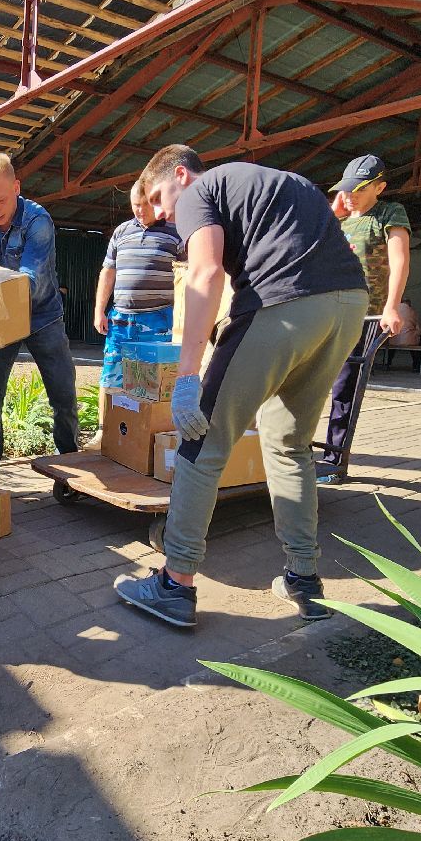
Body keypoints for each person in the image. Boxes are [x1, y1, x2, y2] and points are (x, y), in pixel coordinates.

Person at [113, 145, 367, 626]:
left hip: (283, 307)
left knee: (201, 440)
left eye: (160, 200)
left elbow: (205, 273)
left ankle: (175, 583)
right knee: (290, 444)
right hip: (348, 308)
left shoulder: (199, 191)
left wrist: (188, 373)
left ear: (180, 175)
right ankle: (304, 579)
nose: (165, 215)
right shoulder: (277, 182)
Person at [0, 153, 80, 468]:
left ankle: (71, 468)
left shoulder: (38, 221)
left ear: (16, 187)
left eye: (1, 200)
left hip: (43, 317)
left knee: (64, 397)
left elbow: (28, 283)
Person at [316, 154, 410, 484]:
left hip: (367, 315)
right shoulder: (337, 219)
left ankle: (333, 460)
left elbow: (399, 260)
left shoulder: (389, 214)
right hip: (329, 310)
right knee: (309, 381)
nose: (350, 195)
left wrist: (392, 307)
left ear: (380, 187)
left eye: (359, 189)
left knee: (345, 387)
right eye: (346, 189)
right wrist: (331, 214)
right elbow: (308, 247)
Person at [93, 179, 183, 432]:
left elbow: (187, 276)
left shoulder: (175, 234)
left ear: (157, 203)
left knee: (154, 380)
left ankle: (149, 433)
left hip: (159, 319)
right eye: (135, 205)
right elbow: (108, 271)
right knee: (111, 375)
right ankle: (105, 431)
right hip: (121, 319)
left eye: (145, 205)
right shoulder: (121, 232)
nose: (140, 210)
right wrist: (99, 310)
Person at [382, 300, 421, 369]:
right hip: (409, 340)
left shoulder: (393, 311)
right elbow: (418, 328)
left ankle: (388, 363)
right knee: (415, 346)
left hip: (393, 339)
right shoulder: (412, 312)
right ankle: (416, 366)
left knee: (392, 345)